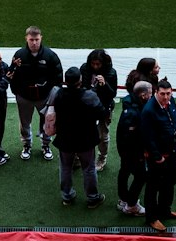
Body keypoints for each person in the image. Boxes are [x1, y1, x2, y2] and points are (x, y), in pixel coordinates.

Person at [48, 67, 105, 207]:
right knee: (89, 168)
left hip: (65, 138)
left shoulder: (58, 93)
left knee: (65, 168)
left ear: (66, 81)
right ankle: (92, 198)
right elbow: (101, 113)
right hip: (85, 139)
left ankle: (67, 196)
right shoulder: (89, 95)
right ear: (80, 80)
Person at [10, 26, 62, 161]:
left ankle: (46, 145)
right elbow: (12, 74)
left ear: (41, 38)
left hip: (44, 98)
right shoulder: (19, 55)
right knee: (24, 123)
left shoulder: (50, 56)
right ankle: (26, 145)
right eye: (31, 39)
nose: (34, 43)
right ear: (26, 39)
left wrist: (52, 96)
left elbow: (57, 78)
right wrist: (17, 93)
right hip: (24, 98)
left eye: (37, 39)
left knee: (48, 121)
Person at [141, 79, 176, 232]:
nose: (166, 97)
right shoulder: (149, 111)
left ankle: (165, 210)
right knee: (153, 187)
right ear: (156, 93)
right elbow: (147, 137)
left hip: (173, 151)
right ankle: (151, 218)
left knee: (170, 182)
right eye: (162, 94)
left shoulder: (171, 102)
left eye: (168, 94)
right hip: (159, 157)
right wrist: (157, 156)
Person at [114, 81, 150, 216]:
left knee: (124, 172)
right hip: (133, 151)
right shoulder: (134, 113)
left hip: (124, 149)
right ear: (143, 95)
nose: (151, 96)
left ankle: (123, 199)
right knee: (141, 176)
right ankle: (131, 205)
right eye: (150, 93)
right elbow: (132, 136)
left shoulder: (129, 106)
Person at [85, 50, 119, 171]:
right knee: (84, 132)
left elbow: (112, 94)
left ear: (103, 63)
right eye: (93, 64)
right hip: (87, 107)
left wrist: (104, 84)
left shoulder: (111, 73)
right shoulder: (85, 68)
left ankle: (102, 157)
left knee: (102, 135)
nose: (95, 67)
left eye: (98, 64)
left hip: (104, 107)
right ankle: (80, 157)